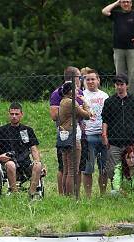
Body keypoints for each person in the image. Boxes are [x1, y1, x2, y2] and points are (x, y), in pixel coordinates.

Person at [0, 102, 44, 198]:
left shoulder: (28, 130)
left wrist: (37, 162)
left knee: (38, 165)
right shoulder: (1, 130)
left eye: (16, 114)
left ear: (21, 114)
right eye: (12, 114)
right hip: (8, 162)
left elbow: (34, 149)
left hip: (25, 162)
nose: (14, 116)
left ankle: (31, 193)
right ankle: (14, 193)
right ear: (8, 114)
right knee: (11, 164)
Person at [102, 0, 134, 95]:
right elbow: (104, 11)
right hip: (118, 48)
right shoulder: (116, 15)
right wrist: (116, 3)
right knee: (119, 73)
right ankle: (120, 93)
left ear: (131, 3)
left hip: (132, 48)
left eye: (128, 2)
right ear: (121, 4)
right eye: (123, 2)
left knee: (133, 73)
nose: (126, 4)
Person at [101, 74, 134, 182]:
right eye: (117, 84)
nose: (119, 87)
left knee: (132, 167)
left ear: (127, 85)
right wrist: (104, 135)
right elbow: (105, 120)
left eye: (122, 84)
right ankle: (116, 189)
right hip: (114, 141)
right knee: (112, 169)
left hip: (130, 141)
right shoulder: (109, 101)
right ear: (114, 86)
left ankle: (131, 188)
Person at [49, 66, 84, 195]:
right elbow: (54, 115)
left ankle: (75, 194)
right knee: (64, 168)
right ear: (74, 78)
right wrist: (71, 111)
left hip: (79, 131)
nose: (81, 80)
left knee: (76, 167)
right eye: (79, 77)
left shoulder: (79, 92)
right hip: (66, 133)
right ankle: (63, 194)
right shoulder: (57, 93)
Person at [57, 82, 93, 196]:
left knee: (67, 169)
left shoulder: (63, 101)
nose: (78, 91)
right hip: (73, 138)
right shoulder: (71, 102)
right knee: (73, 170)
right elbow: (87, 115)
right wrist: (85, 102)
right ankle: (71, 197)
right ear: (70, 91)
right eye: (76, 89)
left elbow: (74, 114)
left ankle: (65, 196)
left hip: (64, 138)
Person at [80, 69, 109, 195]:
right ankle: (88, 196)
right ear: (84, 81)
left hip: (103, 135)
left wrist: (106, 133)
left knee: (104, 168)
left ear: (98, 80)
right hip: (88, 135)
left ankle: (103, 193)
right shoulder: (81, 96)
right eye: (88, 79)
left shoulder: (104, 96)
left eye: (93, 79)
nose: (90, 81)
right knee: (88, 168)